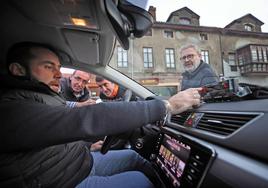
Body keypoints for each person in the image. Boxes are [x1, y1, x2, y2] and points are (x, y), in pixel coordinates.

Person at [0, 42, 201, 188]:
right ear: (18, 70)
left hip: (79, 163)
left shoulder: (43, 97)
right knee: (141, 182)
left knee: (134, 157)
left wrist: (87, 145)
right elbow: (86, 119)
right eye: (48, 67)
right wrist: (167, 105)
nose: (59, 74)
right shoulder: (11, 108)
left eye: (59, 67)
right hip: (63, 181)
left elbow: (52, 136)